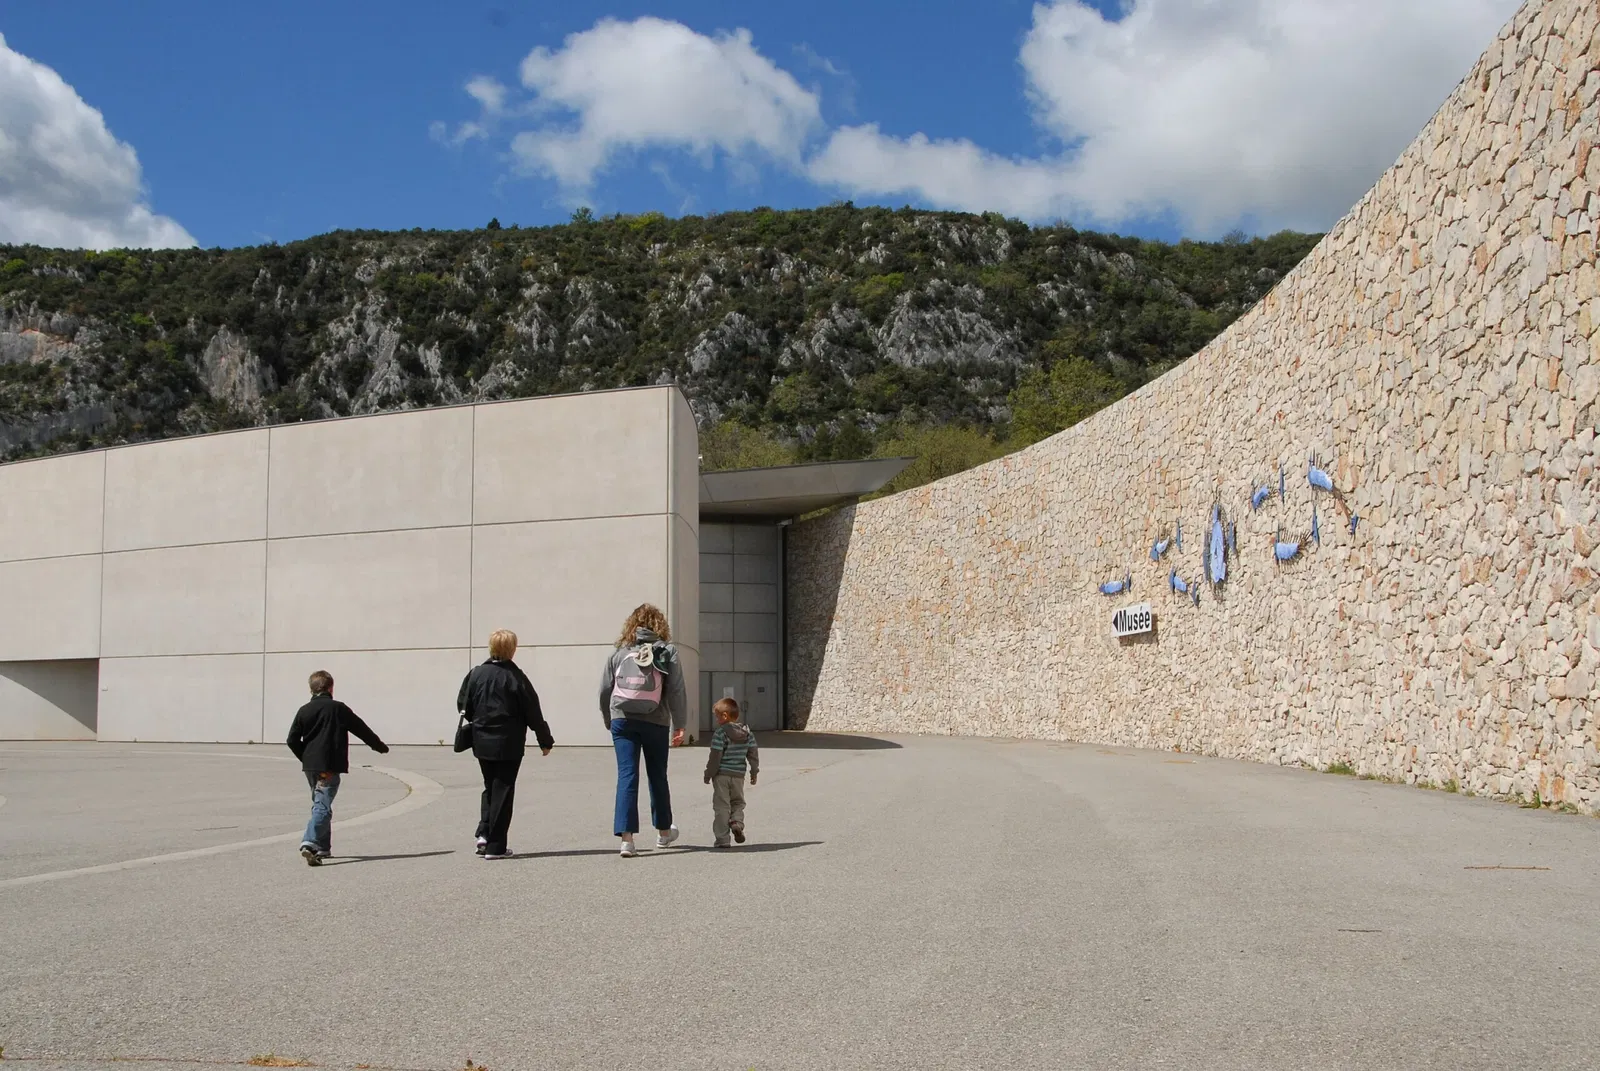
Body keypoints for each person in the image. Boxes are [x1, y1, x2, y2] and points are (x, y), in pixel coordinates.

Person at [600, 603, 688, 857]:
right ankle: (663, 833)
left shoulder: (620, 652)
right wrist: (680, 723)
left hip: (622, 719)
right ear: (659, 624)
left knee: (627, 775)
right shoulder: (666, 650)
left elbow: (605, 689)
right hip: (656, 719)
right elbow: (676, 690)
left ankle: (627, 840)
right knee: (657, 775)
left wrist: (608, 718)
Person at [457, 629, 554, 859]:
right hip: (509, 742)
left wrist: (480, 720)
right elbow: (533, 711)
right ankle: (496, 846)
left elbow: (463, 704)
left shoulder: (476, 674)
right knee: (503, 789)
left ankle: (484, 834)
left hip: (481, 740)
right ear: (512, 649)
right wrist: (545, 740)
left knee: (490, 787)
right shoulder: (515, 677)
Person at [285, 670, 389, 867]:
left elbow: (291, 740)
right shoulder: (338, 709)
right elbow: (361, 729)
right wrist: (379, 746)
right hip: (329, 766)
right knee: (322, 805)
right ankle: (310, 843)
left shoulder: (304, 710)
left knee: (320, 803)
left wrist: (305, 758)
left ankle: (323, 848)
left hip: (310, 767)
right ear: (331, 687)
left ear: (311, 689)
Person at [703, 696, 759, 848]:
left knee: (722, 806)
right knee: (738, 802)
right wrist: (754, 772)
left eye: (717, 716)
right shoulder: (748, 734)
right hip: (738, 776)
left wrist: (708, 773)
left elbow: (715, 756)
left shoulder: (720, 733)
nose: (716, 720)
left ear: (725, 716)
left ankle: (722, 839)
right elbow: (753, 754)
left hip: (721, 775)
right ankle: (736, 822)